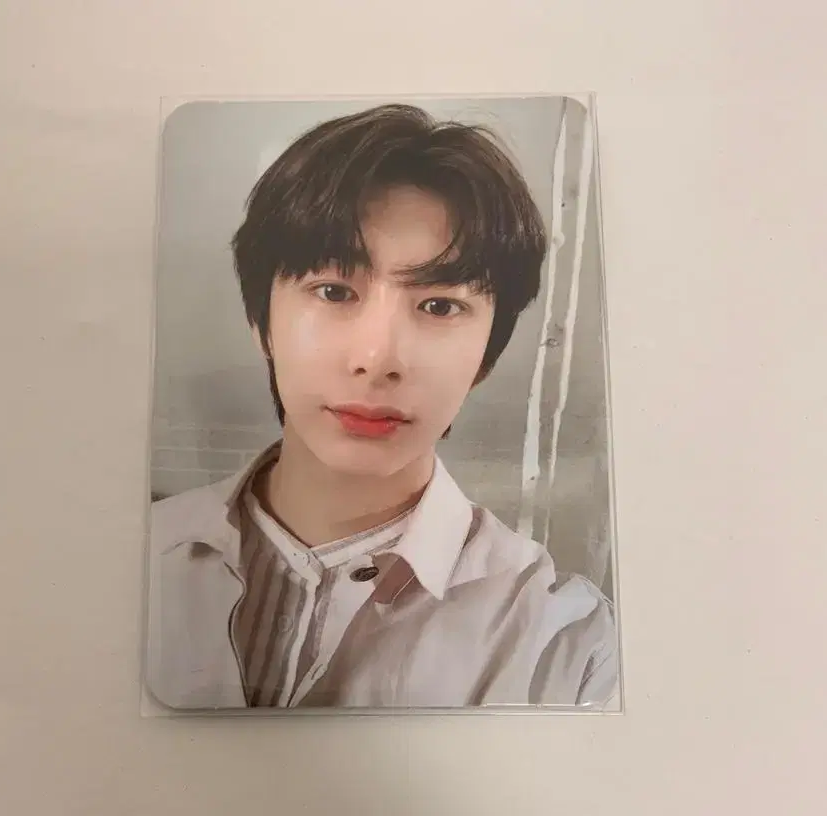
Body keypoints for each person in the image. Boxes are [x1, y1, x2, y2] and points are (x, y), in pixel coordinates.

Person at [144, 103, 619, 711]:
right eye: (333, 291)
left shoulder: (569, 646)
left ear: (487, 355)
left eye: (440, 306)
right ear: (262, 323)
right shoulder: (130, 559)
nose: (377, 359)